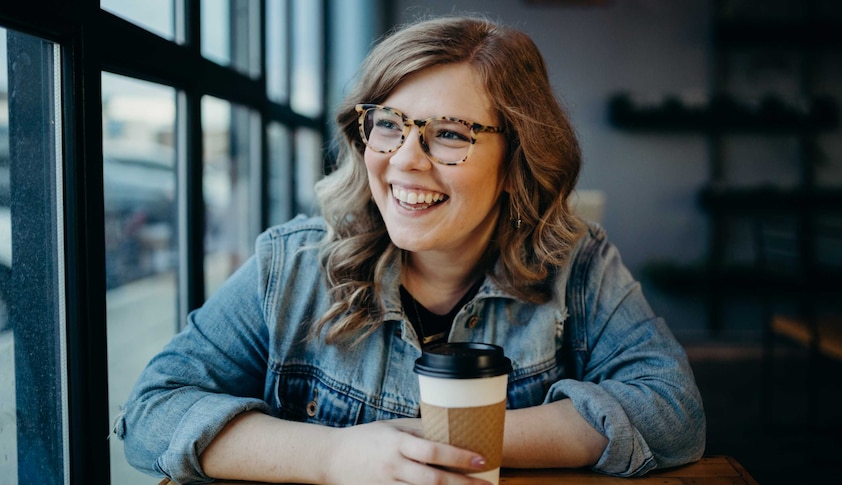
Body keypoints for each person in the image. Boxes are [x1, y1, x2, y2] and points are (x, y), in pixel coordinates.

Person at [117, 14, 706, 485]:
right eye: (389, 123)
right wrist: (334, 459)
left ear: (516, 163)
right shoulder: (291, 267)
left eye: (450, 133)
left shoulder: (576, 265)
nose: (403, 159)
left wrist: (439, 444)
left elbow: (672, 412)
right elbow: (151, 414)